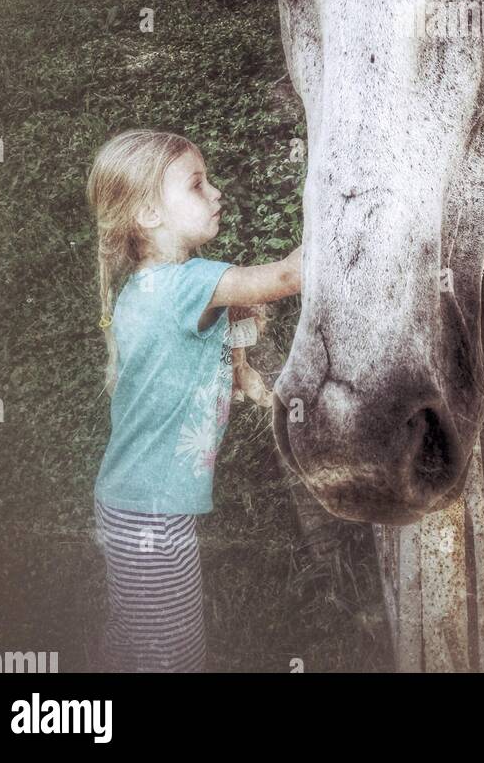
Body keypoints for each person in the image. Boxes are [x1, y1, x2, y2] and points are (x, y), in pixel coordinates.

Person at [86, 128, 302, 672]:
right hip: (154, 519)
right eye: (198, 185)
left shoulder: (147, 286)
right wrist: (344, 206)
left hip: (127, 503)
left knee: (136, 634)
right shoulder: (190, 286)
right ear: (148, 215)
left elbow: (197, 354)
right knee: (174, 656)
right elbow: (287, 276)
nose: (217, 193)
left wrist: (246, 378)